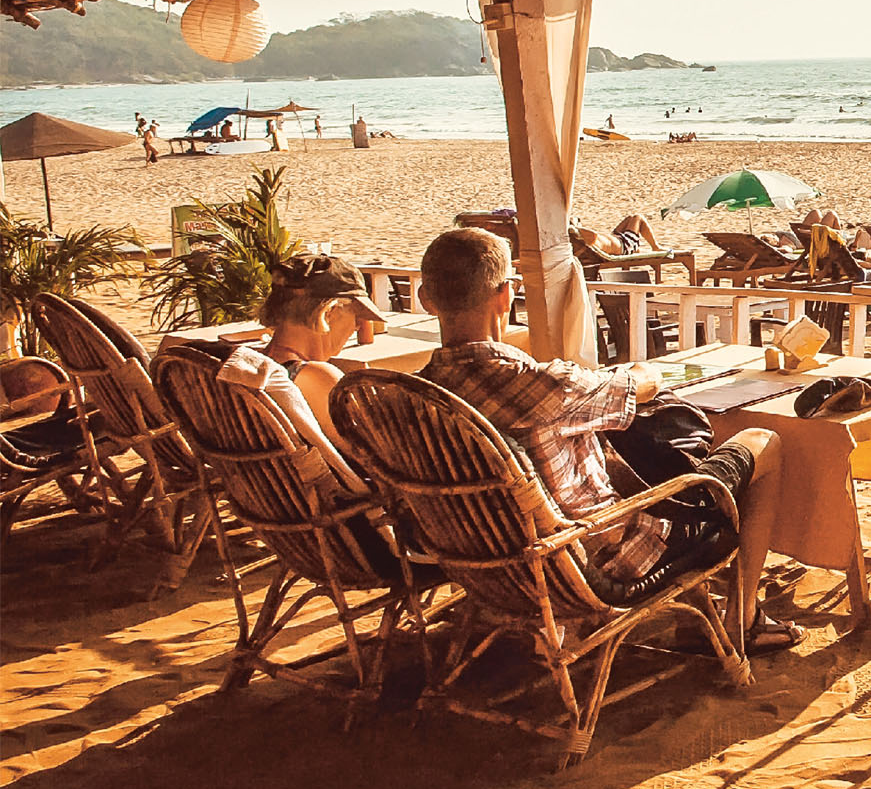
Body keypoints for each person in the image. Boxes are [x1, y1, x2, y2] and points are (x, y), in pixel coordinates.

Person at [415, 228, 798, 651]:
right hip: (594, 563)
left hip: (482, 568)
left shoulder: (407, 401)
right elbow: (640, 384)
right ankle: (741, 619)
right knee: (764, 442)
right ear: (506, 295)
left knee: (640, 464)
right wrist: (642, 374)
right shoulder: (544, 389)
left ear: (425, 299)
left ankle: (712, 610)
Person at [255, 254, 387, 443]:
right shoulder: (317, 378)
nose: (358, 325)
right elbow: (375, 451)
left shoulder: (253, 367)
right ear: (329, 312)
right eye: (356, 315)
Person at [572, 213, 660, 258]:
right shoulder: (590, 238)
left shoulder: (584, 239)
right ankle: (655, 247)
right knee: (638, 217)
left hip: (617, 238)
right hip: (626, 244)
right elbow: (593, 235)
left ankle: (638, 249)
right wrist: (576, 224)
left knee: (630, 218)